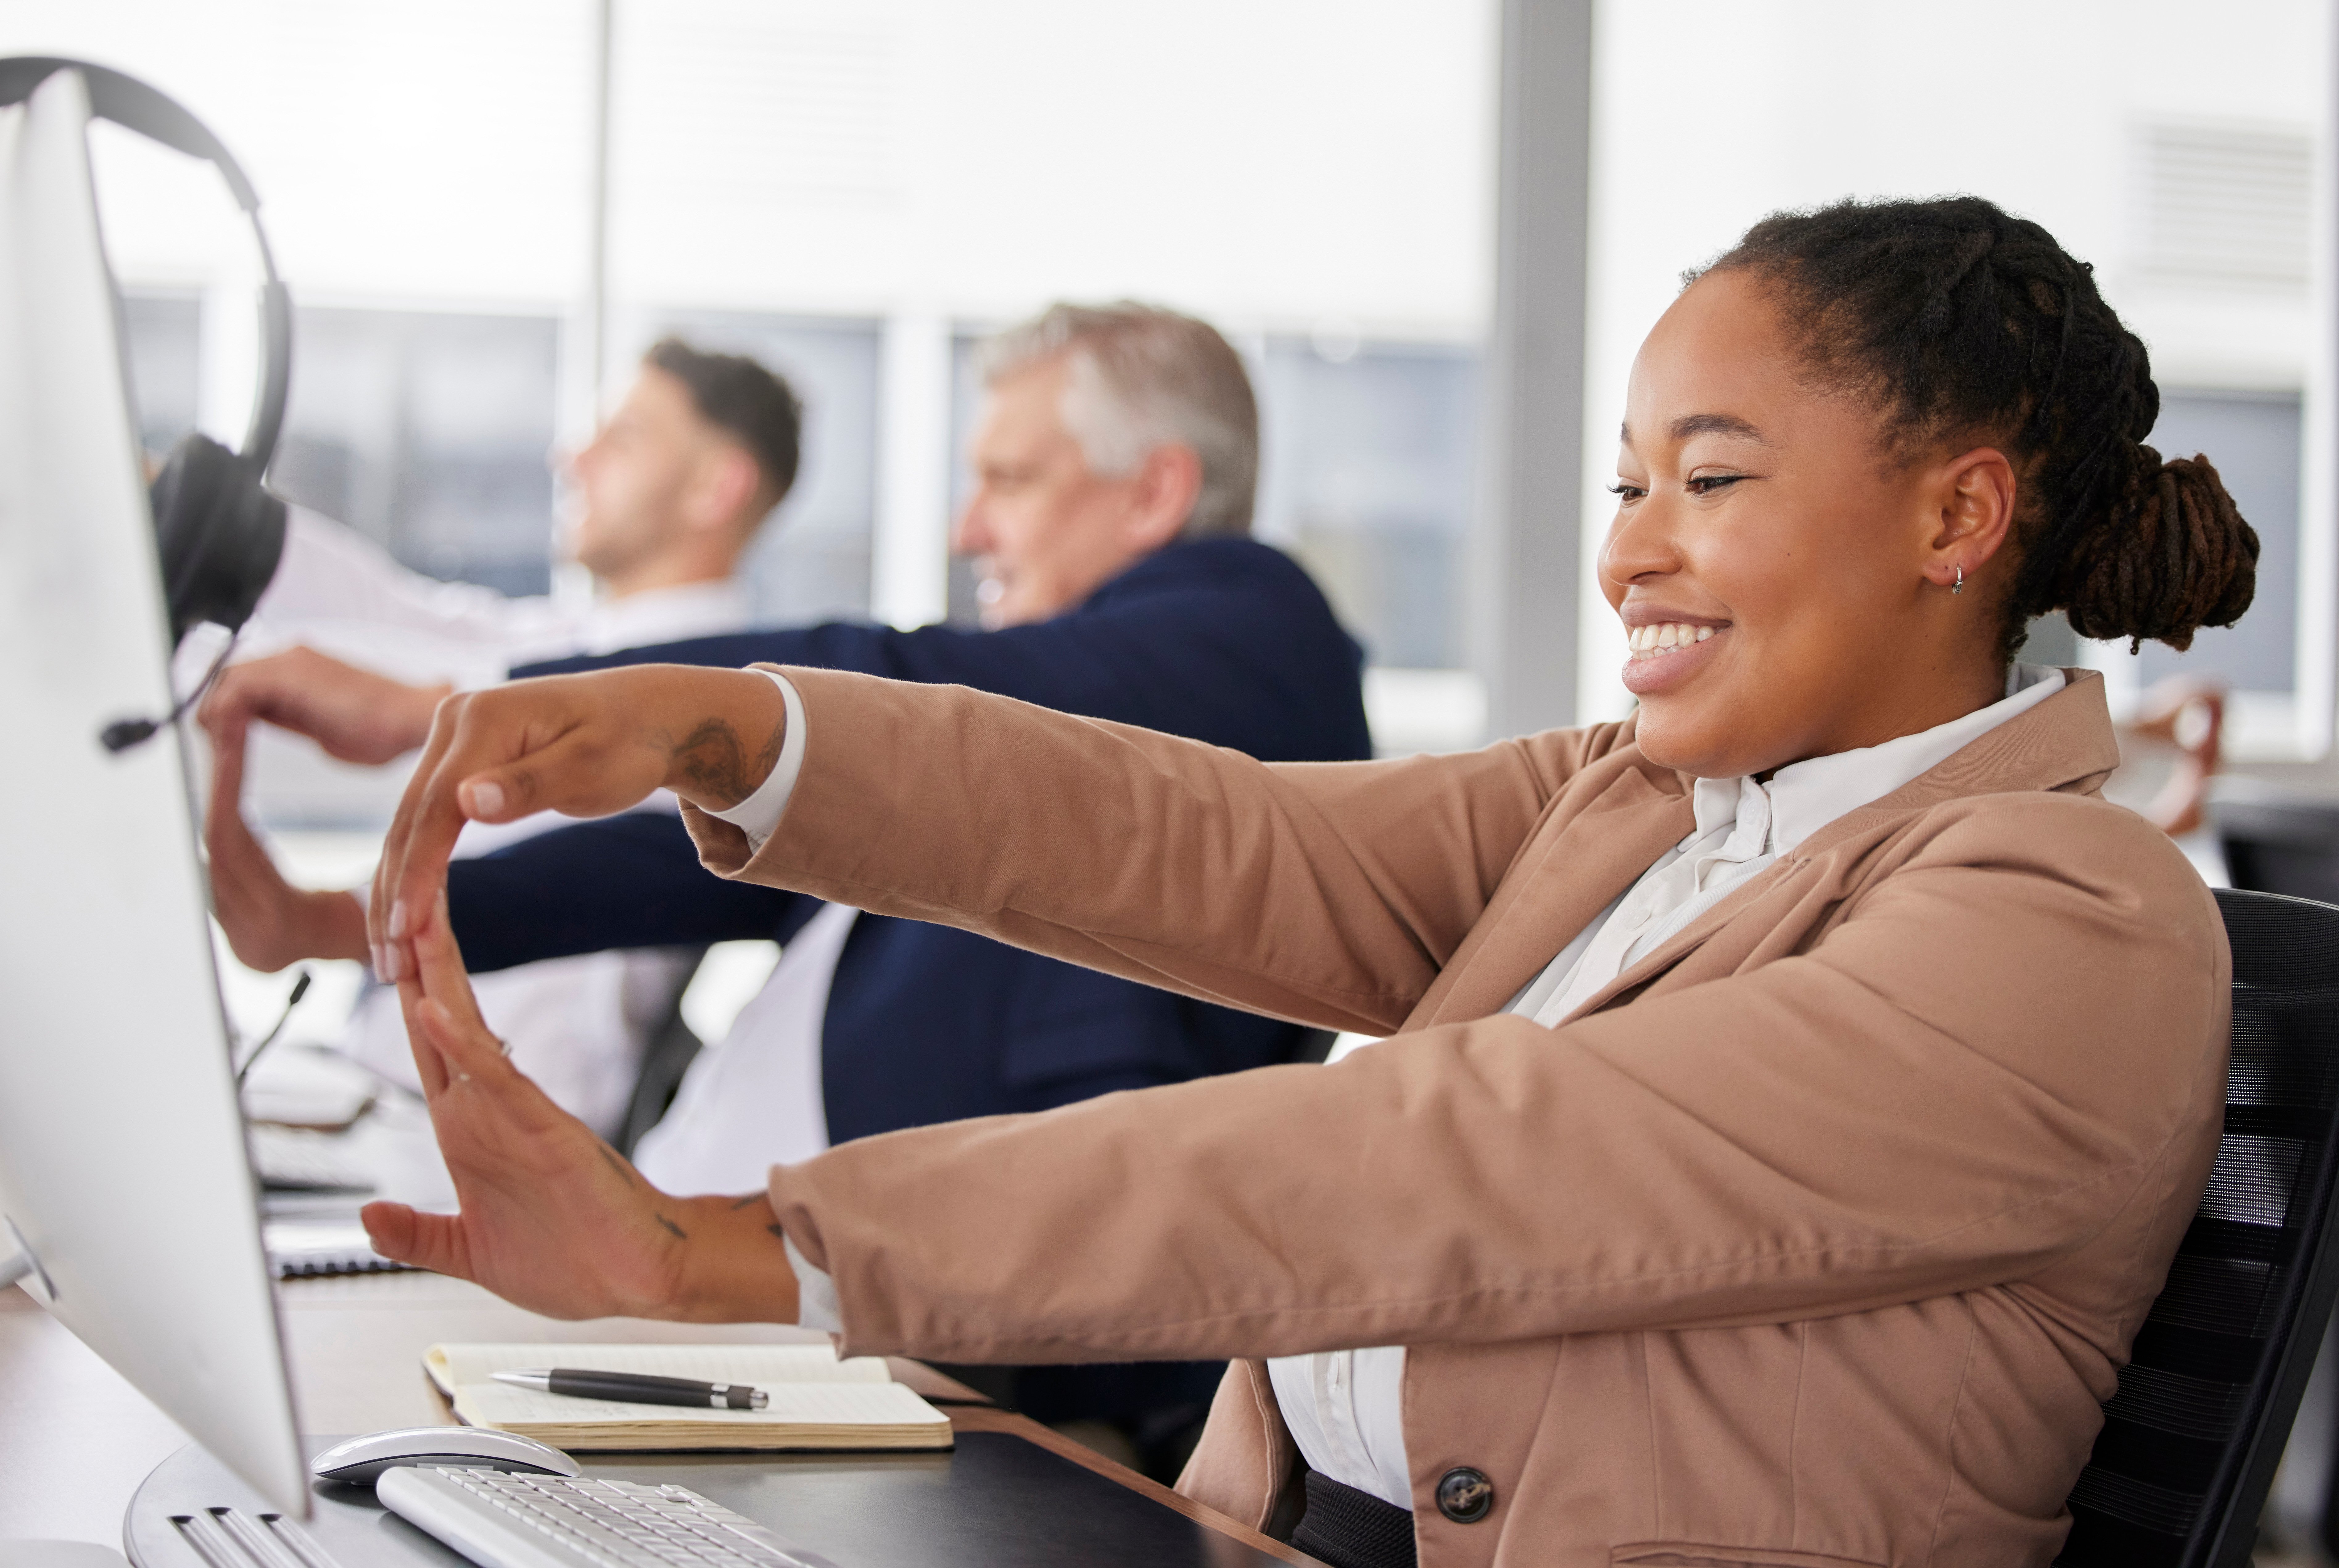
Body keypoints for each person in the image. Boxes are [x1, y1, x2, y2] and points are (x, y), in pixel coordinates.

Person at [344, 197, 2259, 1567]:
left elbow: (1458, 1156)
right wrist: (731, 728)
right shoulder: (1644, 803)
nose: (1631, 557)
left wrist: (743, 1246)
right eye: (1624, 488)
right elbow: (1212, 839)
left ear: (1958, 514)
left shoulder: (2065, 916)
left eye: (1712, 480)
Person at [204, 303, 1372, 1473]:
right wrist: (334, 922)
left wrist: (473, 700)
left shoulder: (1256, 634)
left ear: (1157, 493)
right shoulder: (1060, 745)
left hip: (889, 1356)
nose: (971, 527)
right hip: (709, 1293)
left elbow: (906, 681)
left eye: (1009, 479)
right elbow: (681, 867)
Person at [209, 337, 803, 1135]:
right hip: (375, 1098)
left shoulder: (721, 714)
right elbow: (403, 618)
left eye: (623, 439)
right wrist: (209, 517)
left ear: (714, 486)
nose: (574, 458)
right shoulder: (574, 641)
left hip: (478, 1132)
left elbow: (457, 669)